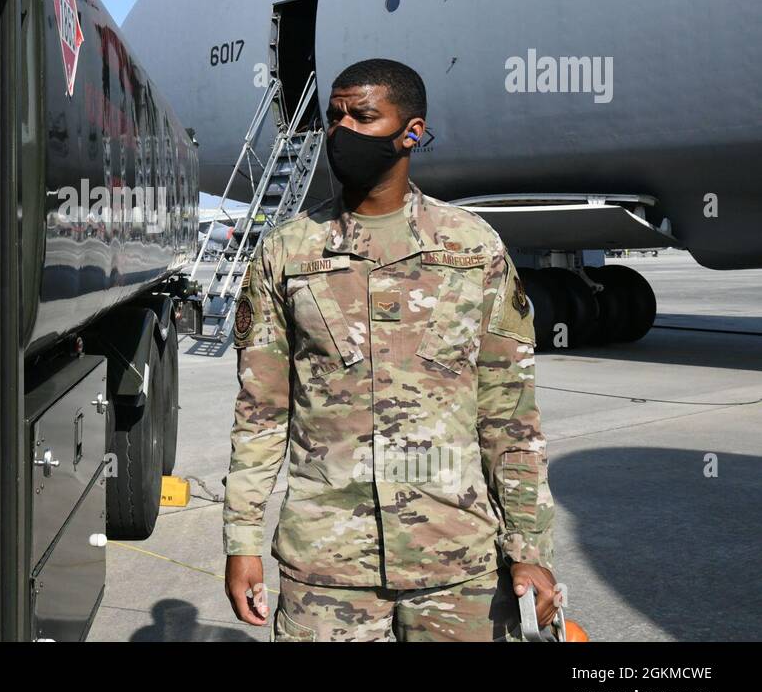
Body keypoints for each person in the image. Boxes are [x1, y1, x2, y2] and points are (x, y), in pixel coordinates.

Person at [222, 58, 560, 641]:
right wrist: (243, 541)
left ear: (411, 133)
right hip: (326, 565)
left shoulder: (473, 248)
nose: (342, 131)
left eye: (363, 116)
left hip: (456, 560)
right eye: (334, 117)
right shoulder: (287, 252)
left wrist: (528, 546)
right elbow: (260, 414)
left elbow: (510, 416)